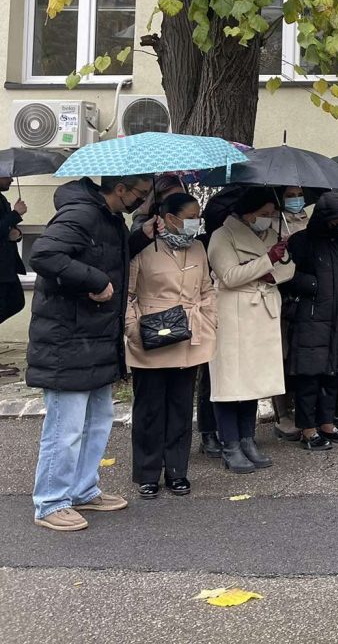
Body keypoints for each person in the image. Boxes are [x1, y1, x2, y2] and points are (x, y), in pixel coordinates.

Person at [27, 174, 150, 531]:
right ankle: (50, 502)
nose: (141, 202)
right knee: (65, 428)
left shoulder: (110, 219)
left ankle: (82, 490)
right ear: (120, 189)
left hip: (96, 339)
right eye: (139, 194)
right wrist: (94, 281)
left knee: (96, 424)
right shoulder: (80, 214)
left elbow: (105, 254)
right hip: (68, 340)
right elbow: (45, 254)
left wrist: (141, 237)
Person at [124, 192, 216, 498]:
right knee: (150, 409)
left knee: (179, 407)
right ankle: (148, 473)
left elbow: (207, 289)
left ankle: (177, 470)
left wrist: (208, 320)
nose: (196, 221)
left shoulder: (199, 247)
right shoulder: (144, 246)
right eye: (191, 216)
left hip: (189, 337)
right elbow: (128, 292)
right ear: (170, 218)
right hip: (151, 336)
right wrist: (133, 330)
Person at [208, 187, 295, 473]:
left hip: (263, 311)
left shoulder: (270, 235)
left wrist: (264, 266)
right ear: (247, 212)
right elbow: (230, 276)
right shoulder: (223, 235)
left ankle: (248, 439)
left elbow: (288, 269)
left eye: (271, 215)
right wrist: (266, 261)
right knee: (230, 382)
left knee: (254, 383)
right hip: (235, 314)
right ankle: (230, 444)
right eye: (264, 214)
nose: (268, 220)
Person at [283, 192, 338, 451]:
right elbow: (286, 276)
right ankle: (307, 429)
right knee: (309, 377)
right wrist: (312, 285)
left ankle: (327, 422)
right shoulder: (301, 241)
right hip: (311, 316)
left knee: (332, 374)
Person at [270, 185, 309, 440]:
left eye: (299, 195)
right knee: (281, 353)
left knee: (301, 352)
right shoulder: (274, 224)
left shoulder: (310, 220)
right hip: (283, 292)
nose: (296, 201)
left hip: (306, 290)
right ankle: (282, 413)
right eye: (290, 196)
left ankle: (301, 407)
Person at [0, 175, 27, 326]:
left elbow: (7, 230)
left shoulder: (2, 199)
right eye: (7, 176)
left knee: (16, 302)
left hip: (7, 267)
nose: (11, 180)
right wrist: (16, 214)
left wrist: (17, 235)